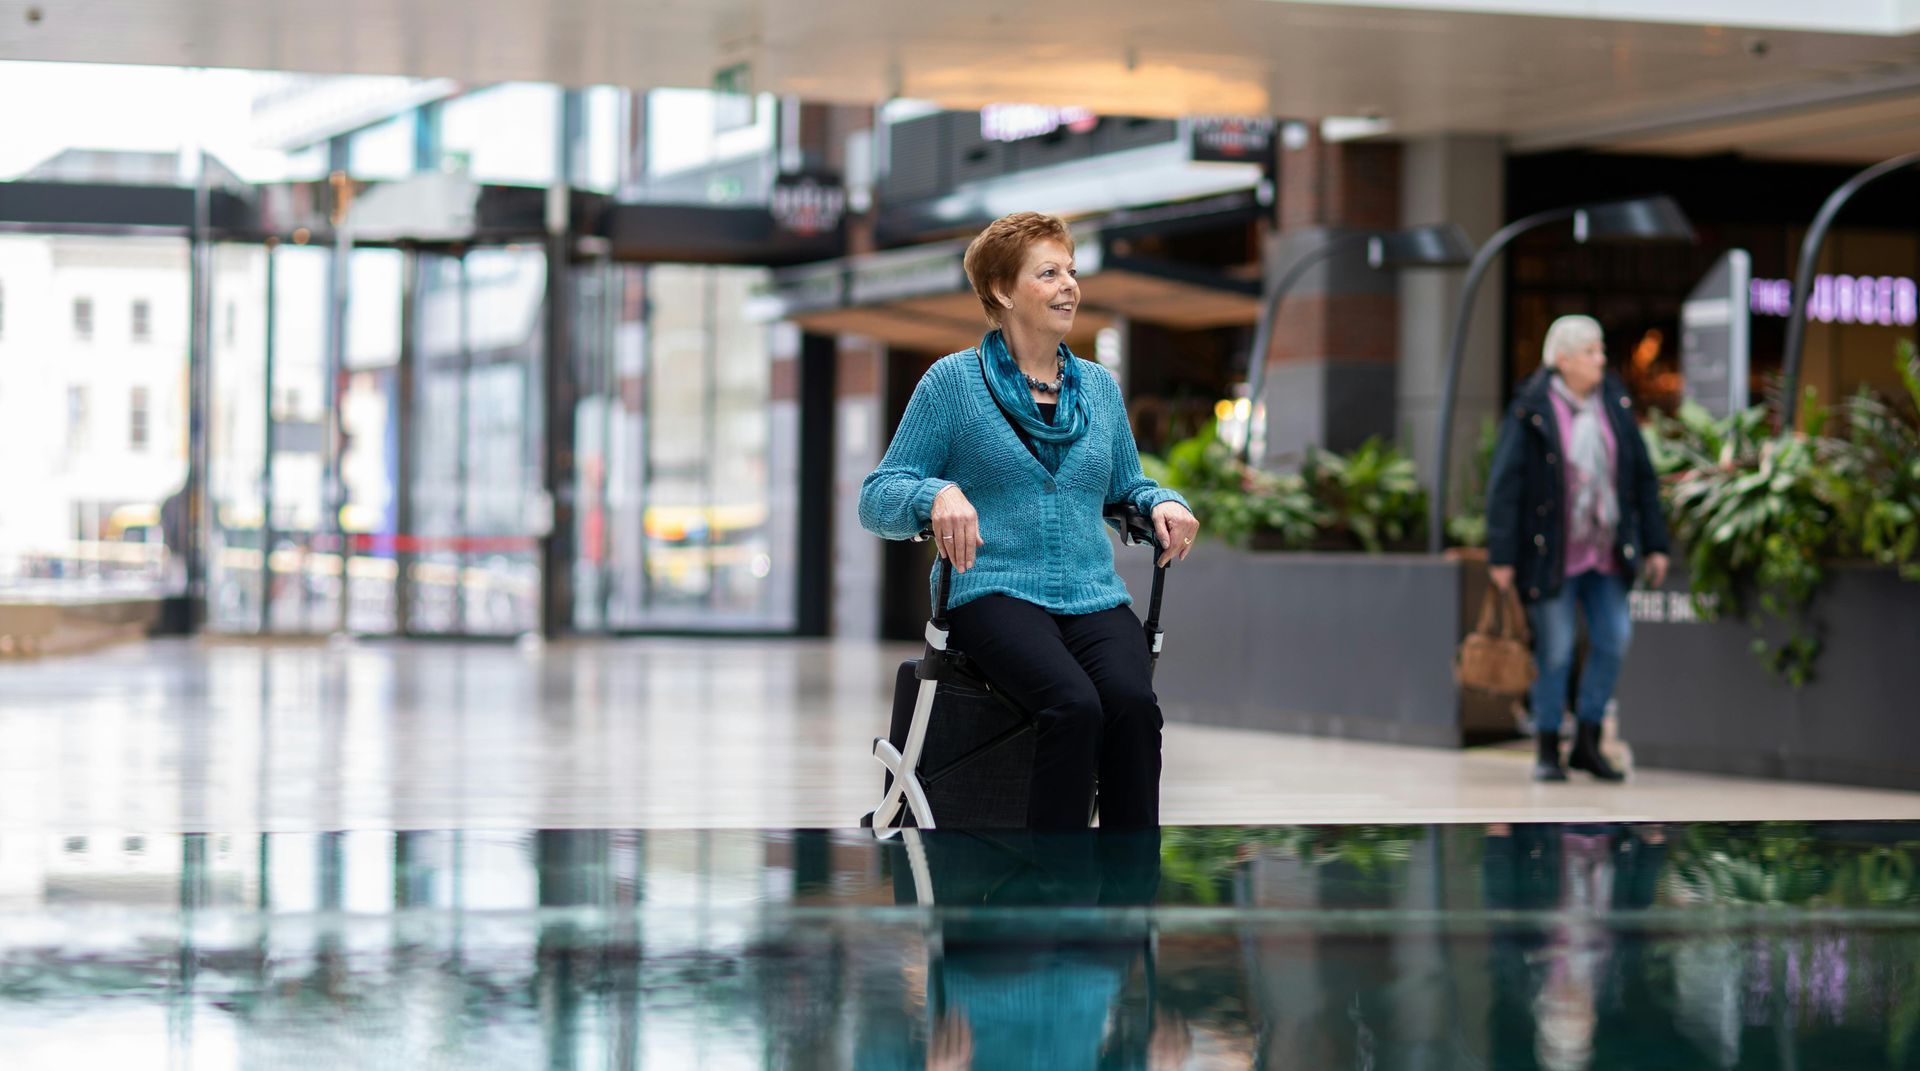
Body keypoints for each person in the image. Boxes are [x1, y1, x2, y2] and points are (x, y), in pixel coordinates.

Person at [858, 211, 1200, 829]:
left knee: (1131, 707)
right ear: (1002, 291)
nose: (1069, 284)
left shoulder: (1097, 388)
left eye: (1071, 271)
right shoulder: (952, 384)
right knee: (1072, 707)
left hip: (1092, 593)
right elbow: (878, 496)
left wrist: (1162, 501)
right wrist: (935, 495)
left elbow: (1129, 485)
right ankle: (1053, 894)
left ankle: (1128, 906)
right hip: (994, 590)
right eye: (1049, 273)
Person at [1485, 315, 1670, 783]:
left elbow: (1641, 477)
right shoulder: (1532, 407)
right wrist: (1503, 557)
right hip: (1553, 554)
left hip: (1607, 550)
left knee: (1613, 640)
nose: (1600, 360)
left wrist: (1655, 544)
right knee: (1556, 651)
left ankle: (1587, 740)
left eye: (1600, 350)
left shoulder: (1614, 401)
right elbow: (1505, 486)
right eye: (1591, 352)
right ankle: (1548, 747)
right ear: (1562, 359)